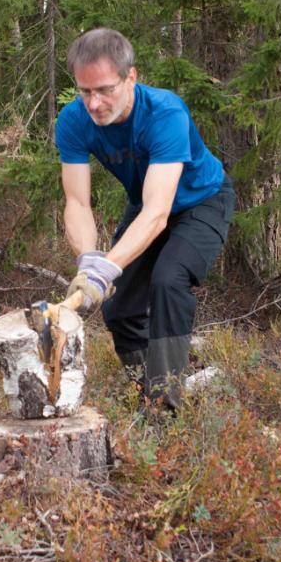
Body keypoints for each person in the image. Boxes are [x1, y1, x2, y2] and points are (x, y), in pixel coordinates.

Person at [55, 28, 235, 412]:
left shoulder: (164, 113)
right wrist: (89, 260)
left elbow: (158, 213)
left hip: (201, 202)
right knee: (118, 308)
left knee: (168, 280)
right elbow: (77, 202)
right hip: (148, 206)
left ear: (131, 77)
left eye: (105, 89)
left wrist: (109, 268)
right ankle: (153, 389)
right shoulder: (72, 121)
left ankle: (162, 409)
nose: (94, 103)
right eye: (85, 92)